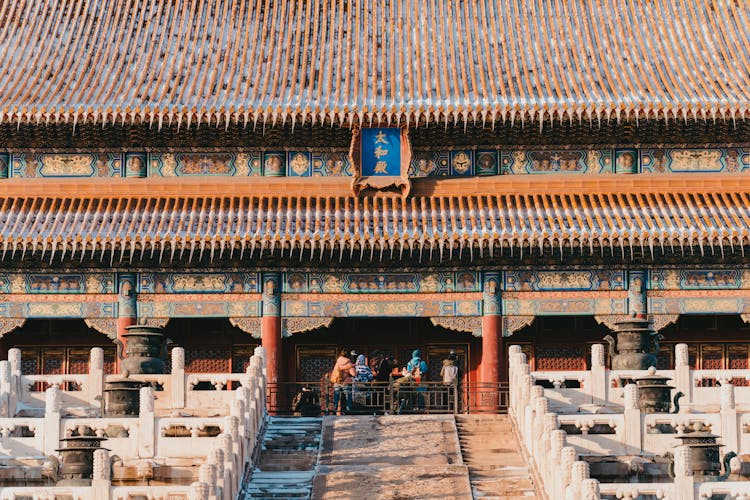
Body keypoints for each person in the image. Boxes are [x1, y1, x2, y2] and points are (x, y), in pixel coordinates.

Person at [330, 348, 355, 415]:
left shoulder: (338, 361)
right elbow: (353, 373)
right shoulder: (349, 362)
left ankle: (335, 410)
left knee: (336, 396)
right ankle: (348, 411)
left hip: (337, 381)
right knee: (348, 396)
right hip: (345, 382)